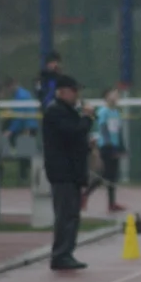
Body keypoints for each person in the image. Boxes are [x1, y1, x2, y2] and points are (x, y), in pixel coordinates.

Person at [42, 75, 95, 271]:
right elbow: (73, 133)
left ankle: (67, 252)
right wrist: (87, 117)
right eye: (74, 91)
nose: (77, 95)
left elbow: (75, 137)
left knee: (72, 214)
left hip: (72, 171)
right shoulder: (56, 112)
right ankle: (60, 254)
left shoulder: (68, 112)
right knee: (65, 215)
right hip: (63, 171)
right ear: (62, 92)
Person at [85, 87, 127, 213]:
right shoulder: (103, 112)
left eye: (117, 94)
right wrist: (110, 145)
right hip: (106, 147)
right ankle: (85, 195)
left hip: (114, 147)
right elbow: (103, 129)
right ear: (107, 96)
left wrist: (121, 146)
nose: (116, 96)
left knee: (112, 176)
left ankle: (112, 203)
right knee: (105, 175)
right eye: (114, 94)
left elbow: (118, 131)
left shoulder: (116, 112)